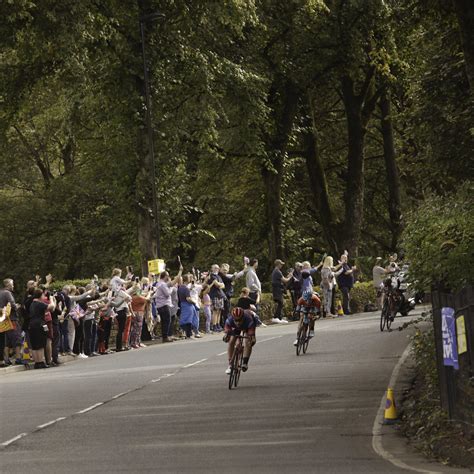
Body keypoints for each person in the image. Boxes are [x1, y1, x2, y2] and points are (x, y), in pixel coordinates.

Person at [223, 307, 257, 374]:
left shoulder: (249, 319)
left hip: (248, 326)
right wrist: (226, 336)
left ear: (243, 317)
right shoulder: (229, 320)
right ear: (233, 318)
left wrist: (252, 339)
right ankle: (230, 364)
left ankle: (245, 363)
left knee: (248, 341)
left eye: (239, 320)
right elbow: (227, 332)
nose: (238, 322)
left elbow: (251, 335)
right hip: (235, 328)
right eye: (236, 320)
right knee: (231, 341)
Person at [28, 288, 56, 369]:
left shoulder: (32, 303)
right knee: (41, 344)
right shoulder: (39, 303)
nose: (44, 296)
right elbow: (51, 307)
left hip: (32, 325)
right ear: (40, 295)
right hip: (40, 324)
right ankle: (41, 361)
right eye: (43, 294)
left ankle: (37, 362)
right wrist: (51, 299)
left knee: (34, 345)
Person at [153, 267, 182, 343]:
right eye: (168, 276)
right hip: (163, 305)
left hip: (162, 305)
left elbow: (173, 282)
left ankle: (165, 336)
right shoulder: (162, 285)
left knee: (165, 321)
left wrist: (180, 271)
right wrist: (172, 288)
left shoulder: (162, 284)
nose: (169, 277)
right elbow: (167, 293)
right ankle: (165, 337)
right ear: (165, 276)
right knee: (167, 321)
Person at [0, 279, 22, 366]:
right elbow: (12, 304)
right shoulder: (8, 293)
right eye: (12, 284)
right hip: (12, 319)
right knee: (17, 338)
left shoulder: (0, 292)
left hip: (2, 319)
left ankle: (6, 359)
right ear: (8, 285)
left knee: (6, 341)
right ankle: (18, 358)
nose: (13, 286)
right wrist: (17, 306)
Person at [271, 259, 292, 324]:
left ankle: (279, 318)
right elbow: (285, 280)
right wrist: (290, 277)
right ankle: (276, 317)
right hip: (277, 289)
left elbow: (283, 279)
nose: (282, 265)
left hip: (277, 288)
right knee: (280, 302)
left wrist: (287, 277)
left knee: (281, 303)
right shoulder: (277, 271)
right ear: (278, 264)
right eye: (281, 264)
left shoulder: (276, 271)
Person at [208, 264, 225, 332]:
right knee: (215, 311)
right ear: (212, 269)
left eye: (218, 268)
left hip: (220, 295)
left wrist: (219, 284)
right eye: (215, 268)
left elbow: (223, 285)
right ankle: (214, 325)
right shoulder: (212, 276)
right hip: (215, 295)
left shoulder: (218, 276)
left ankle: (218, 324)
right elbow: (217, 285)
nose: (216, 269)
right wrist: (219, 284)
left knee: (219, 311)